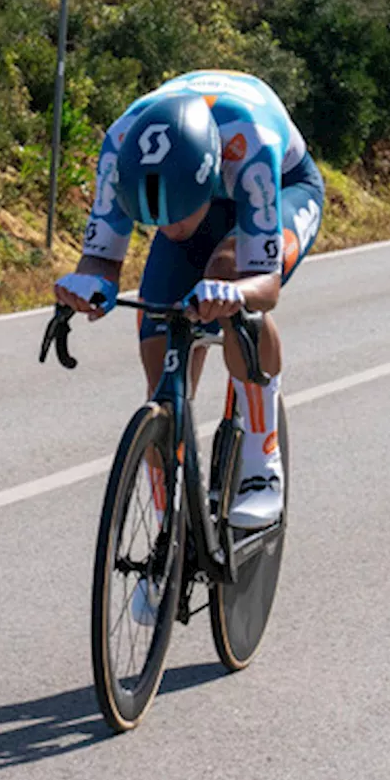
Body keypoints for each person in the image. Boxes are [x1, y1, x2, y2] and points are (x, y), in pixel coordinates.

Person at [54, 70, 324, 530]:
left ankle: (262, 460)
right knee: (160, 352)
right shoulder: (121, 147)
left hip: (284, 187)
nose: (169, 227)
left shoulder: (250, 142)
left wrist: (235, 295)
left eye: (178, 215)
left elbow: (265, 285)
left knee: (226, 271)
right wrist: (87, 287)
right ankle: (167, 536)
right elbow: (100, 261)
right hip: (194, 178)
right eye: (153, 219)